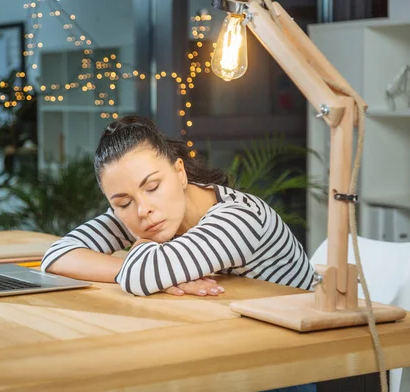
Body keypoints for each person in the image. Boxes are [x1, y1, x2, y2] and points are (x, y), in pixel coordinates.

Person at [40, 115, 314, 298]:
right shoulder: (147, 212)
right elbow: (56, 257)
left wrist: (149, 266)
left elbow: (140, 275)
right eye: (123, 202)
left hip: (307, 364)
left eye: (152, 187)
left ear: (180, 172)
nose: (142, 209)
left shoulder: (239, 218)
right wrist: (160, 274)